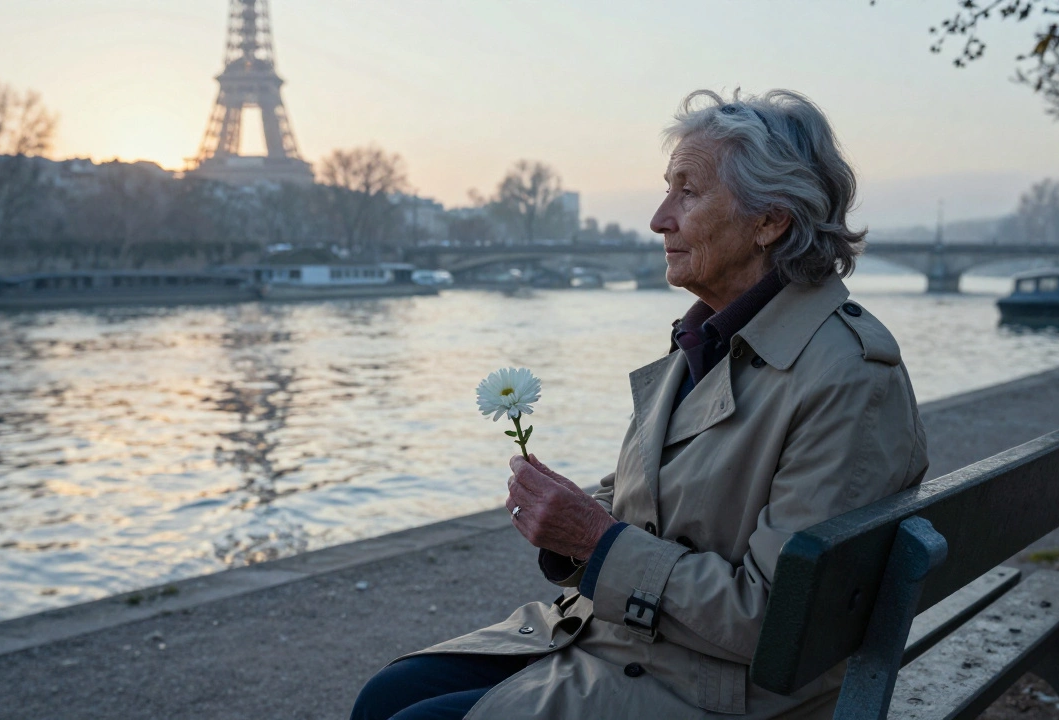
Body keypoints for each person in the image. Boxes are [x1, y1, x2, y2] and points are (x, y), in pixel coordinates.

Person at [351, 89, 928, 720]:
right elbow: (660, 504)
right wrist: (570, 518)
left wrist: (597, 542)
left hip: (723, 691)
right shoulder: (712, 337)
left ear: (771, 220)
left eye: (688, 192)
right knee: (386, 695)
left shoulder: (847, 378)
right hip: (639, 647)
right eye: (667, 189)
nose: (658, 218)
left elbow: (779, 624)